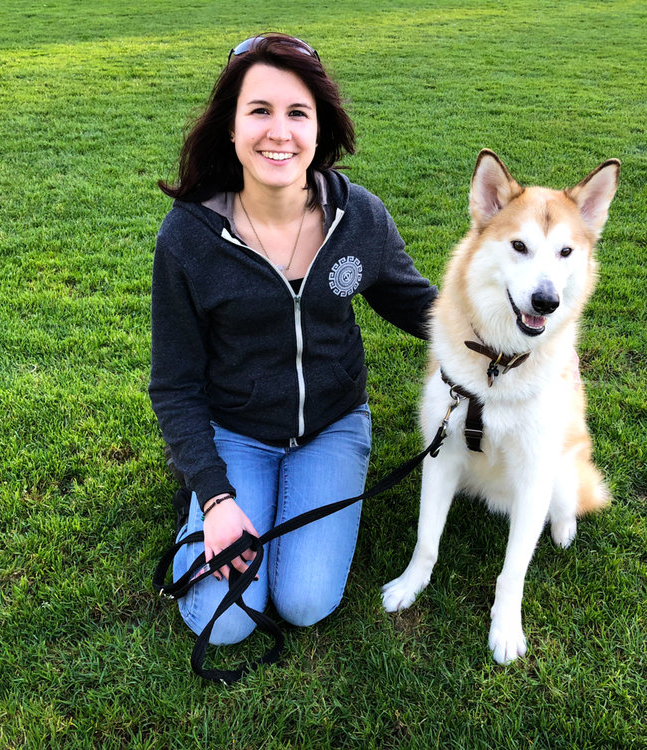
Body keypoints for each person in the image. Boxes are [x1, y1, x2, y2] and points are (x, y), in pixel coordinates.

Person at [149, 33, 437, 645]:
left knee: (305, 601)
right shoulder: (188, 238)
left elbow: (422, 307)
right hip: (235, 431)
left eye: (296, 112)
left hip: (332, 425)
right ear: (230, 127)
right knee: (222, 622)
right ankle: (204, 501)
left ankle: (280, 498)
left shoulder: (358, 217)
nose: (278, 131)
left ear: (319, 128)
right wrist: (216, 497)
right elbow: (174, 386)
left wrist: (518, 345)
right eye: (259, 110)